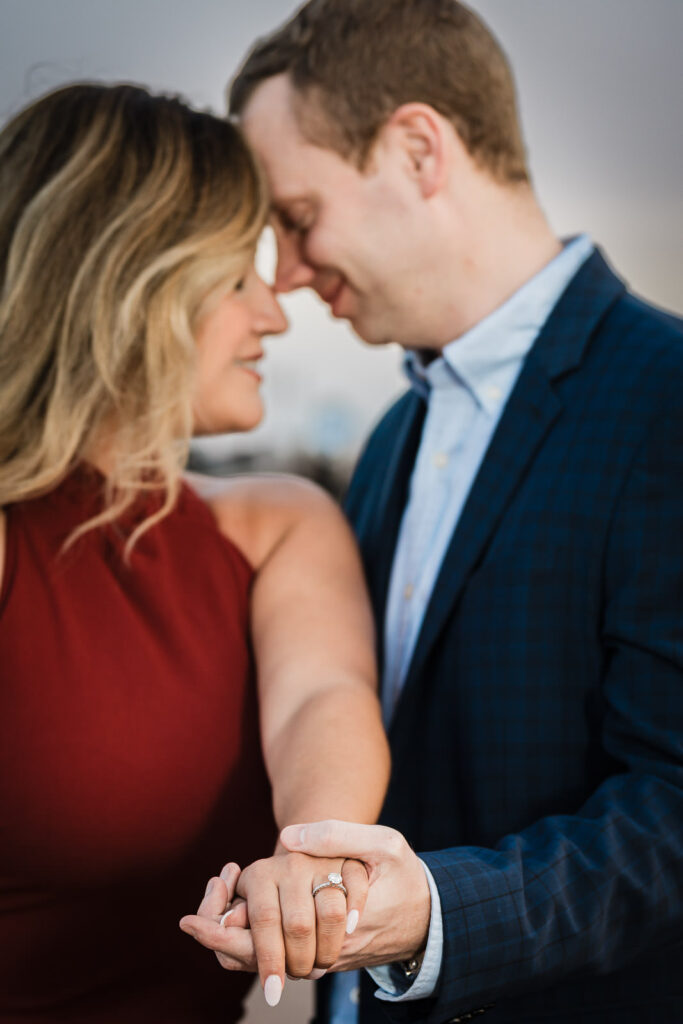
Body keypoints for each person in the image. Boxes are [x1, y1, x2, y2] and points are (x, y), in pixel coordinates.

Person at [185, 1, 683, 1021]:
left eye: (297, 214)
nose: (284, 269)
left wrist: (436, 916)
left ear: (416, 149)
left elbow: (672, 809)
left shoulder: (664, 396)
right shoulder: (386, 446)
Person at [0, 82, 391, 1024]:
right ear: (128, 279)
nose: (274, 315)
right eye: (236, 278)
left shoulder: (279, 521)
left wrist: (311, 856)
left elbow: (319, 699)